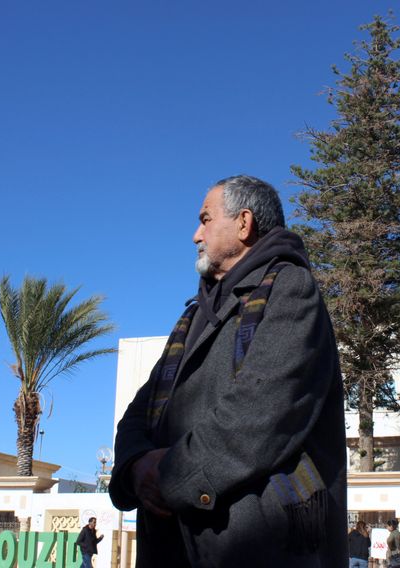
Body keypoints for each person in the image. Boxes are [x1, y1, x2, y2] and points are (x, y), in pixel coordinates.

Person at [109, 175, 347, 567]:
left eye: (205, 219)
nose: (195, 235)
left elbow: (262, 410)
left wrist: (170, 477)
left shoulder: (290, 287)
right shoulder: (192, 317)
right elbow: (140, 410)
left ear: (244, 223)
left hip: (253, 547)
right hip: (172, 545)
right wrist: (135, 469)